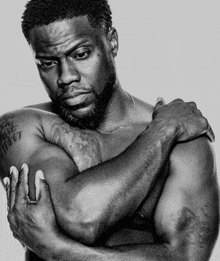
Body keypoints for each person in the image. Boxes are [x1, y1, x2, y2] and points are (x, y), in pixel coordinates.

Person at [0, 0, 219, 260]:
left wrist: (58, 250)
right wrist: (160, 132)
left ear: (112, 42)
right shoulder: (22, 128)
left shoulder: (185, 143)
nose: (66, 77)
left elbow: (187, 257)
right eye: (48, 63)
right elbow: (81, 219)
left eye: (80, 54)